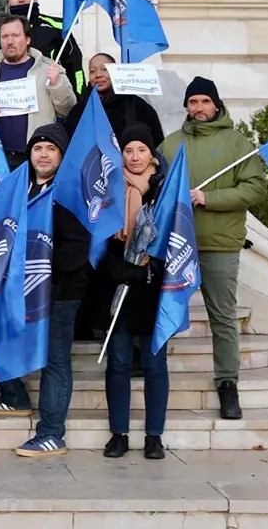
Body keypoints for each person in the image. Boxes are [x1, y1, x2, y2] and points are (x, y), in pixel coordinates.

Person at [158, 77, 265, 420]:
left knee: (222, 318)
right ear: (186, 107)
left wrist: (209, 198)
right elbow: (153, 184)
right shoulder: (171, 144)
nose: (199, 108)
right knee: (159, 314)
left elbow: (254, 189)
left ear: (216, 105)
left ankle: (228, 384)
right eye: (193, 102)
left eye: (205, 101)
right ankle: (150, 372)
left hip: (219, 245)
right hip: (176, 247)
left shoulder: (237, 144)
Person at [9, 123, 93, 456]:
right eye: (38, 148)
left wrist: (42, 264)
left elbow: (79, 247)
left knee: (55, 361)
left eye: (51, 149)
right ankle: (13, 395)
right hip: (25, 291)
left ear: (62, 155)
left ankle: (51, 432)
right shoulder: (19, 189)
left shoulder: (73, 192)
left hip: (61, 292)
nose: (43, 154)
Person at [101, 123, 169, 460]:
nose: (135, 156)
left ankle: (154, 435)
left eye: (141, 149)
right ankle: (119, 433)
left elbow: (176, 235)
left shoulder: (165, 188)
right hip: (120, 286)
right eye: (128, 150)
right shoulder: (111, 188)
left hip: (154, 288)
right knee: (119, 361)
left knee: (155, 365)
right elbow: (98, 241)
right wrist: (120, 268)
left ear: (151, 153)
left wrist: (151, 267)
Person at [0, 16, 76, 170]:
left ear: (28, 39)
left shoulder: (49, 69)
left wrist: (56, 84)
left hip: (35, 160)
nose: (10, 41)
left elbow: (68, 110)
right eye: (5, 36)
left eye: (16, 36)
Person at [0, 0, 86, 95]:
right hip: (7, 99)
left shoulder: (57, 27)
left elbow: (75, 66)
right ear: (9, 0)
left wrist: (79, 101)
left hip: (49, 97)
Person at [64, 53, 165, 148]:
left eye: (104, 69)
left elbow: (157, 146)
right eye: (92, 71)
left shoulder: (137, 106)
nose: (98, 75)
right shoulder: (79, 111)